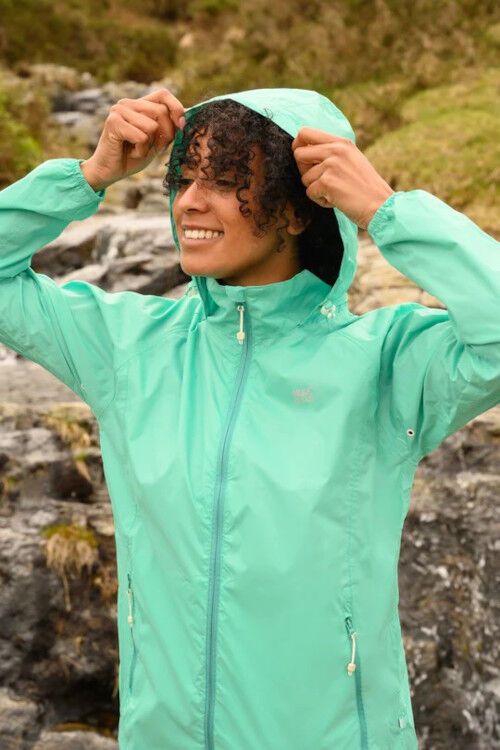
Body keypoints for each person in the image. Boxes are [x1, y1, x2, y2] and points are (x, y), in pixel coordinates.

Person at [0, 86, 498, 750]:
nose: (189, 202)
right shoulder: (128, 346)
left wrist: (387, 211)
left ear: (295, 210)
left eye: (225, 181)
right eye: (184, 179)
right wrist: (88, 177)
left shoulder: (386, 363)